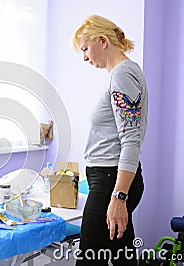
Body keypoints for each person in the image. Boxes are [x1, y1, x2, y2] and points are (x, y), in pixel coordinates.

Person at [72, 15, 148, 265]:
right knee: (120, 256)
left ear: (102, 41)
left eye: (85, 49)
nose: (84, 57)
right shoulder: (123, 73)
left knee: (90, 258)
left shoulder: (123, 75)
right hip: (110, 180)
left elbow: (130, 140)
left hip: (110, 183)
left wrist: (119, 197)